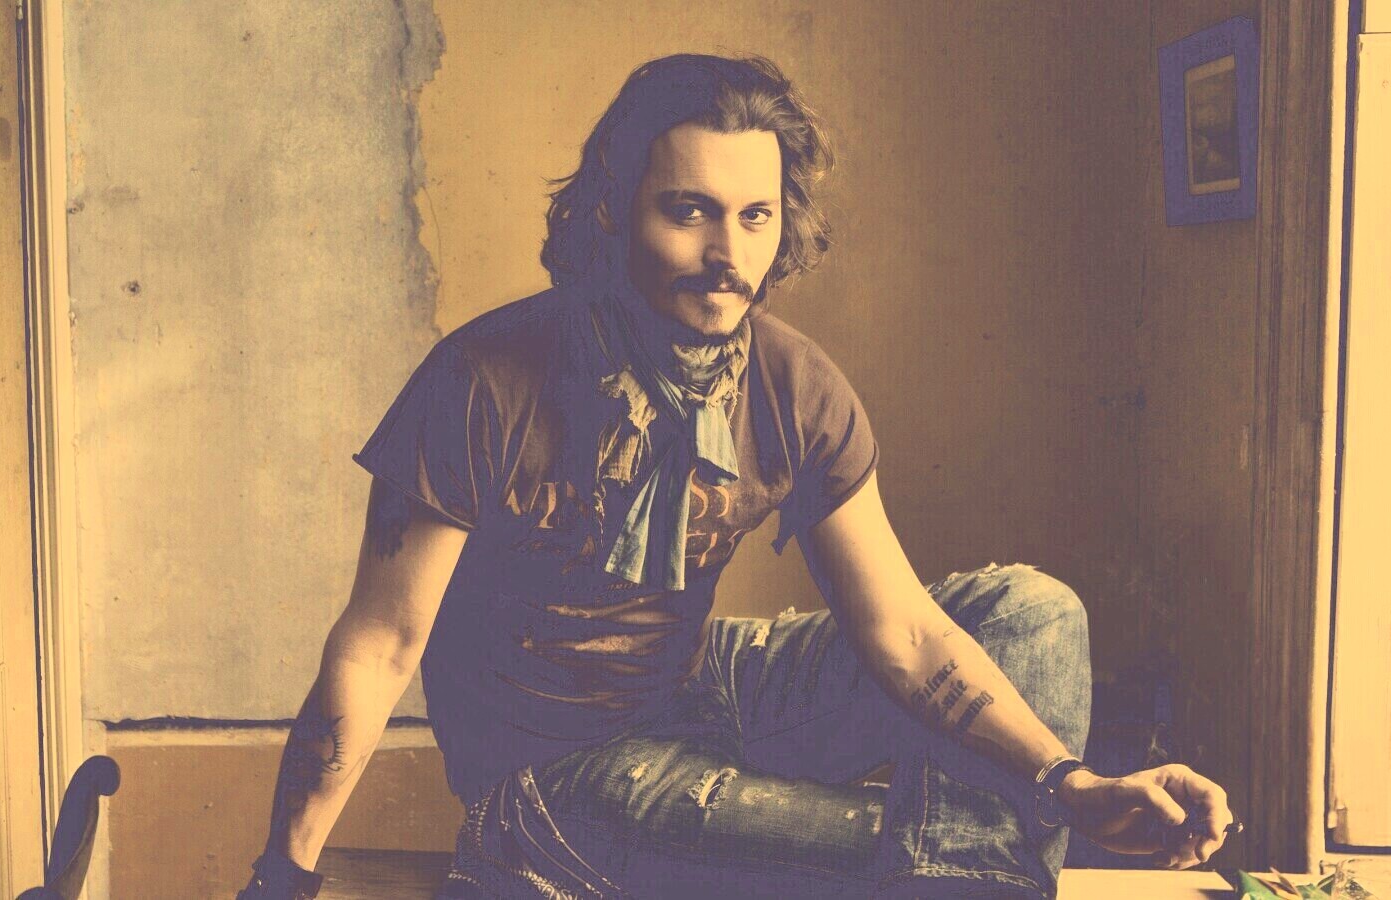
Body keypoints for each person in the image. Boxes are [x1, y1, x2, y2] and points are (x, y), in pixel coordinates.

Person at [237, 53, 1234, 900]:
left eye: (755, 216)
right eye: (689, 212)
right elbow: (379, 648)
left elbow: (903, 632)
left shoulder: (794, 384)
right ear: (610, 212)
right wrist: (283, 875)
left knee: (1034, 613)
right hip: (554, 774)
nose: (728, 255)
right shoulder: (482, 381)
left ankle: (959, 875)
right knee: (892, 843)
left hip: (699, 682)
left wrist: (1070, 784)